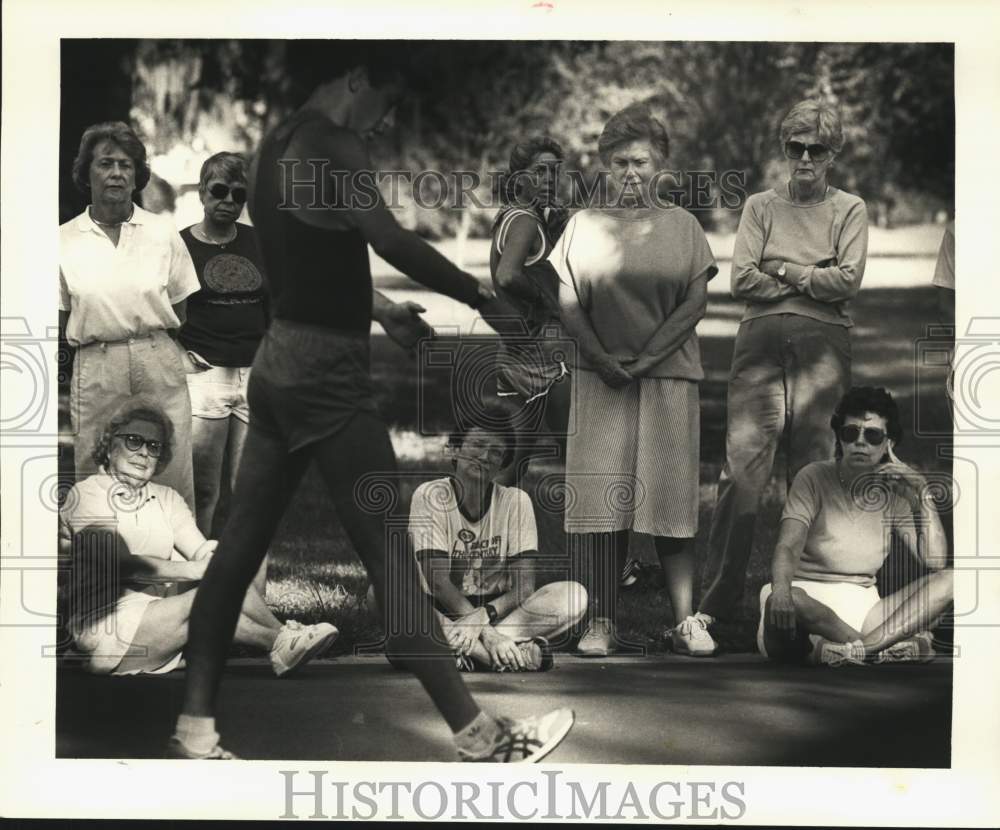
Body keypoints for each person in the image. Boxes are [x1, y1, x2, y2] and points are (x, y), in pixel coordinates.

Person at [168, 47, 574, 763]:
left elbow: (310, 260)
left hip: (276, 368)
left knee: (235, 551)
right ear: (356, 77)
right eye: (385, 104)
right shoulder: (334, 142)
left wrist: (379, 310)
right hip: (328, 379)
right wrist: (481, 297)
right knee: (392, 560)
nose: (386, 122)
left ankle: (195, 730)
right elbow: (388, 238)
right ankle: (482, 738)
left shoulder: (274, 144)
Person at [697, 100, 869, 652]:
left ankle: (807, 601)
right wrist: (809, 275)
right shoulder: (760, 207)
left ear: (833, 155)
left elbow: (846, 282)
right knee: (742, 472)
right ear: (783, 150)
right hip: (760, 345)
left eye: (817, 150)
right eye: (795, 148)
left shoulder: (850, 209)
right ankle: (718, 608)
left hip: (824, 348)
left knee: (815, 469)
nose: (805, 159)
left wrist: (783, 269)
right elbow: (742, 281)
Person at [550, 103, 718, 657]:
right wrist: (599, 358)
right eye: (619, 161)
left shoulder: (684, 226)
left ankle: (685, 620)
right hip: (600, 380)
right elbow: (568, 300)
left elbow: (695, 301)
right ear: (602, 165)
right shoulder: (583, 225)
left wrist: (647, 359)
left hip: (668, 378)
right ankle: (601, 621)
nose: (630, 173)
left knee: (670, 501)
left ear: (661, 165)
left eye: (641, 162)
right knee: (603, 500)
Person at [58, 400, 338, 677]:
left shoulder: (167, 499)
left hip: (160, 620)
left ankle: (283, 642)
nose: (144, 452)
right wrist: (195, 569)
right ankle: (282, 638)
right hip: (105, 626)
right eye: (133, 441)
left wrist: (215, 560)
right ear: (109, 445)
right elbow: (119, 563)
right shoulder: (87, 495)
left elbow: (200, 550)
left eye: (153, 446)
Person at [59, 122, 200, 509]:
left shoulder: (162, 232)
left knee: (169, 464)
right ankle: (101, 564)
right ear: (86, 173)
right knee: (94, 467)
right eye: (105, 163)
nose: (117, 173)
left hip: (157, 360)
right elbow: (59, 314)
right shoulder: (62, 240)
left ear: (137, 175)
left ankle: (173, 564)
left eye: (125, 165)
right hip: (98, 364)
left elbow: (181, 306)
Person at [759, 386, 953, 665]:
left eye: (873, 435)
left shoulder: (894, 494)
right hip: (807, 599)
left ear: (889, 443)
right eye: (851, 433)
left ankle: (857, 650)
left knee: (952, 579)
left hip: (866, 611)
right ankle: (883, 648)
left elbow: (934, 562)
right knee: (790, 601)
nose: (860, 442)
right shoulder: (813, 477)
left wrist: (922, 492)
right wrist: (780, 591)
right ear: (839, 437)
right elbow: (788, 545)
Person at [408, 410, 588, 671]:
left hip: (498, 613)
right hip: (440, 612)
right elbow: (437, 583)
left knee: (574, 594)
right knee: (380, 594)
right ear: (454, 450)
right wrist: (488, 634)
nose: (484, 457)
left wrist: (483, 619)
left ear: (503, 463)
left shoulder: (516, 501)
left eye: (495, 452)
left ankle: (465, 653)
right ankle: (503, 654)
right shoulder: (429, 495)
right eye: (478, 445)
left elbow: (524, 588)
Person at [488, 136, 572, 486]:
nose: (549, 180)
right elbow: (509, 275)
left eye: (555, 172)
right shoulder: (525, 220)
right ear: (518, 177)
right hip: (544, 353)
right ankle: (597, 535)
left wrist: (554, 232)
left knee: (514, 460)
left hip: (515, 350)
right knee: (581, 453)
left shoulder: (512, 216)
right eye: (539, 172)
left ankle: (481, 531)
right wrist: (544, 302)